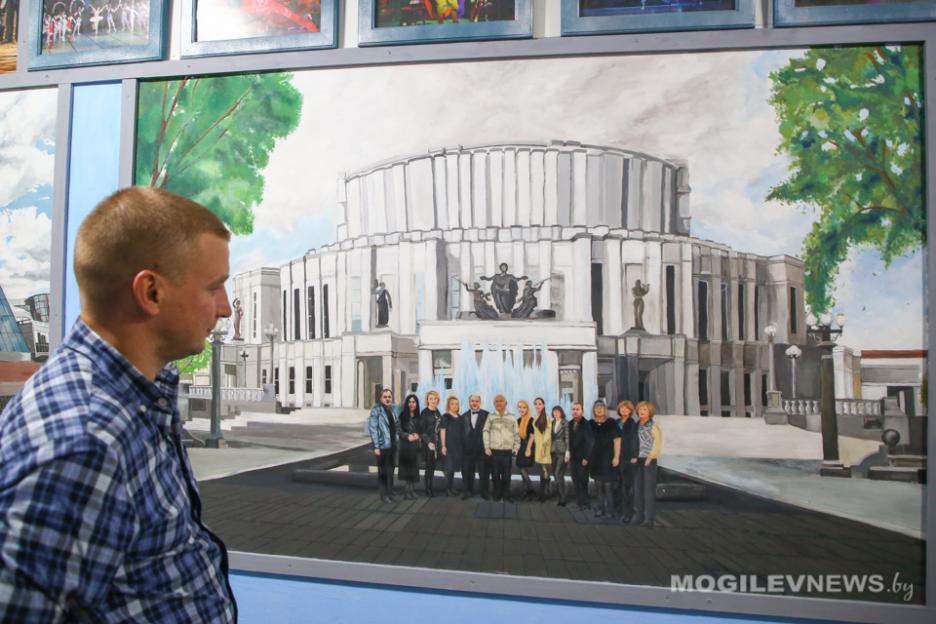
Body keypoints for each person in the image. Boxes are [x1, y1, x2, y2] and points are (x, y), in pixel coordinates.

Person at [0, 187, 236, 622]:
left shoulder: (137, 399)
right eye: (214, 287)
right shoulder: (84, 443)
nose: (225, 308)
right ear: (151, 292)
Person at [631, 400, 663, 528]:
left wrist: (651, 457)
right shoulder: (636, 425)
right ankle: (638, 514)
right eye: (640, 409)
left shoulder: (653, 426)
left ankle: (649, 518)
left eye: (644, 410)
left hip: (648, 460)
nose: (642, 412)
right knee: (637, 488)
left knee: (648, 490)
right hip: (636, 460)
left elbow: (657, 443)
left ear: (650, 412)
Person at [587, 400, 620, 518]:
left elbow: (617, 441)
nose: (599, 409)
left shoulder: (611, 423)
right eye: (597, 407)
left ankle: (610, 511)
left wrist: (616, 457)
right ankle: (600, 508)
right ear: (594, 410)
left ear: (605, 409)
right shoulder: (590, 424)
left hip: (609, 458)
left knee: (608, 486)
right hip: (595, 459)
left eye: (601, 407)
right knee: (598, 486)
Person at [483, 394, 519, 502]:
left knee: (507, 475)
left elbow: (516, 433)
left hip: (507, 451)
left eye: (501, 401)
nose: (499, 403)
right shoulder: (491, 417)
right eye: (496, 401)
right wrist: (487, 447)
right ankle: (497, 495)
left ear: (506, 403)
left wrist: (516, 447)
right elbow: (485, 431)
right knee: (495, 475)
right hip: (494, 451)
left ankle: (506, 495)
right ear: (494, 404)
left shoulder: (512, 417)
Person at [368, 388, 400, 504]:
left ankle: (390, 492)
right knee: (383, 472)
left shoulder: (393, 409)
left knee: (391, 470)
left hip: (392, 445)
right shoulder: (376, 410)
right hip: (382, 446)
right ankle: (384, 494)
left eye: (389, 397)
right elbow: (373, 429)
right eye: (385, 397)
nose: (387, 399)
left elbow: (397, 425)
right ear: (381, 398)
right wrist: (376, 446)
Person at [461, 394, 490, 500]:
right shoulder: (464, 416)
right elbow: (461, 433)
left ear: (480, 402)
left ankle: (484, 492)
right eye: (472, 401)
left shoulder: (487, 415)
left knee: (484, 472)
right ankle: (467, 491)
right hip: (468, 450)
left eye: (477, 401)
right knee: (467, 472)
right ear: (469, 402)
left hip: (482, 449)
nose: (474, 403)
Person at [617, 400, 639, 523]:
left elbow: (635, 441)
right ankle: (619, 510)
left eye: (626, 408)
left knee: (627, 487)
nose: (624, 410)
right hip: (617, 458)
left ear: (630, 411)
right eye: (622, 408)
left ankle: (628, 513)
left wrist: (634, 455)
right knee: (617, 485)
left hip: (627, 458)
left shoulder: (632, 424)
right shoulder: (616, 423)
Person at [568, 401, 593, 510]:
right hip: (573, 458)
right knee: (575, 479)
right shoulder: (570, 424)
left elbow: (590, 442)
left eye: (577, 409)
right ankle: (579, 501)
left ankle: (585, 502)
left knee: (583, 480)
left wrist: (586, 457)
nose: (575, 411)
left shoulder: (586, 424)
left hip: (582, 458)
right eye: (573, 409)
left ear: (582, 411)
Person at [417, 390, 442, 497]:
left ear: (438, 400)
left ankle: (430, 487)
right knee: (429, 467)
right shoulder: (424, 413)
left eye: (435, 399)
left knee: (433, 467)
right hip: (428, 445)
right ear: (427, 400)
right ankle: (428, 489)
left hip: (436, 444)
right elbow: (421, 431)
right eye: (431, 398)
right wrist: (428, 442)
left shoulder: (437, 412)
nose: (433, 401)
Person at [398, 394, 422, 500]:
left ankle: (412, 491)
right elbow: (398, 430)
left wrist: (418, 435)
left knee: (413, 469)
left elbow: (421, 429)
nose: (411, 404)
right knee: (407, 469)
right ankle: (407, 492)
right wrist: (407, 436)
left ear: (416, 404)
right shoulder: (402, 416)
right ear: (407, 404)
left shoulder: (418, 417)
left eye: (414, 402)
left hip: (415, 447)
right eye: (410, 402)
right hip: (405, 446)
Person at [440, 396, 465, 496]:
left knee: (453, 467)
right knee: (448, 468)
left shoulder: (460, 418)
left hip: (457, 446)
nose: (454, 406)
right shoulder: (445, 417)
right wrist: (443, 445)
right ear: (448, 405)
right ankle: (447, 489)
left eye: (456, 404)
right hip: (448, 446)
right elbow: (443, 431)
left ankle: (451, 487)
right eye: (452, 404)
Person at [532, 398, 552, 502]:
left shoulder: (546, 417)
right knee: (542, 469)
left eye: (539, 404)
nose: (537, 406)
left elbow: (547, 434)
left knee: (544, 469)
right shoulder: (536, 416)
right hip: (538, 446)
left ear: (543, 405)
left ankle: (544, 495)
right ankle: (543, 493)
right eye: (536, 404)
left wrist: (543, 448)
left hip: (544, 446)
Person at [548, 405, 570, 506]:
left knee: (558, 473)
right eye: (554, 412)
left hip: (562, 450)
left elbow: (567, 437)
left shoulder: (565, 422)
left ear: (561, 412)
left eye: (558, 412)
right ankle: (561, 497)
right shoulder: (552, 423)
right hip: (553, 450)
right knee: (556, 474)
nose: (556, 413)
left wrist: (568, 451)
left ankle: (563, 498)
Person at [515, 399, 536, 499]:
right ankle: (527, 490)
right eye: (520, 407)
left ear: (527, 409)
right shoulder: (518, 420)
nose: (522, 409)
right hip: (521, 446)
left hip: (528, 445)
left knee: (523, 468)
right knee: (520, 468)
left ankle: (530, 489)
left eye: (524, 407)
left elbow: (532, 436)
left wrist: (528, 449)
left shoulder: (531, 420)